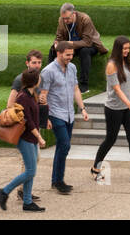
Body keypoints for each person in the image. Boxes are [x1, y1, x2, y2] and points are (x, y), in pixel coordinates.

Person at [91, 36, 130, 184]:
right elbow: (117, 90)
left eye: (128, 48)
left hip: (129, 108)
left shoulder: (126, 62)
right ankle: (95, 167)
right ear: (117, 48)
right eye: (124, 48)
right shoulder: (112, 65)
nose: (126, 51)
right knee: (110, 139)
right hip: (114, 109)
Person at [39, 41, 91, 194]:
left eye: (72, 55)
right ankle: (58, 181)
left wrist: (82, 108)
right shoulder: (48, 71)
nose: (70, 58)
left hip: (69, 113)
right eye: (68, 55)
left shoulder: (72, 68)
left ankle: (57, 180)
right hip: (55, 114)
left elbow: (76, 89)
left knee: (63, 147)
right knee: (65, 145)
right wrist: (45, 117)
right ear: (59, 53)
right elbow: (43, 96)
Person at [0, 67, 47, 213]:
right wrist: (39, 137)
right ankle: (4, 191)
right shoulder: (23, 97)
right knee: (30, 171)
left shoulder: (31, 95)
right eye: (39, 77)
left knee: (31, 170)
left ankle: (27, 202)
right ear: (35, 81)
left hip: (31, 138)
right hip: (26, 138)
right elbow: (28, 121)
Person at [54, 3, 107, 92]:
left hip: (91, 45)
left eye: (67, 18)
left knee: (84, 51)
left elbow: (87, 42)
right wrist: (57, 45)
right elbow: (59, 38)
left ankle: (83, 85)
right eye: (64, 18)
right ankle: (54, 81)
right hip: (71, 46)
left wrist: (69, 43)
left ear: (74, 13)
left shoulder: (85, 19)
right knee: (53, 49)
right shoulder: (62, 20)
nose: (65, 21)